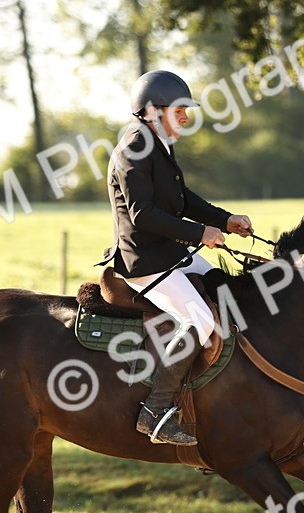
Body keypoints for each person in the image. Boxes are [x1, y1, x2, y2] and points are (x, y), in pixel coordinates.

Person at [100, 70, 253, 447]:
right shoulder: (135, 148)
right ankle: (156, 411)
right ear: (154, 111)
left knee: (225, 288)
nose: (186, 116)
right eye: (180, 109)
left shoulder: (160, 144)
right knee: (200, 323)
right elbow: (142, 214)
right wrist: (201, 233)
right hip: (144, 261)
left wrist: (224, 220)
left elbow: (183, 201)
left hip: (170, 254)